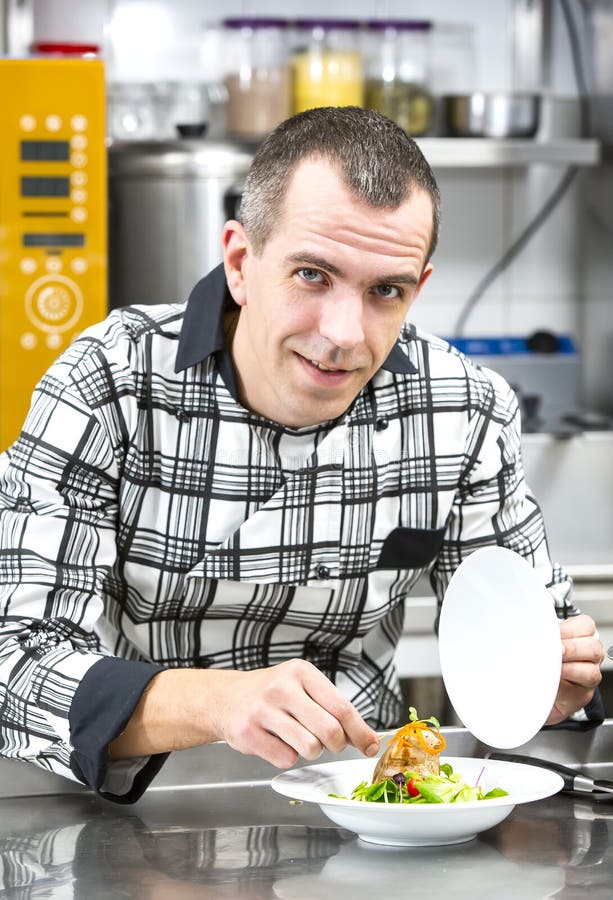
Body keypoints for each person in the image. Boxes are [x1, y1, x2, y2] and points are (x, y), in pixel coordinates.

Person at [0, 106, 604, 804]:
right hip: (128, 801)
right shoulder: (107, 383)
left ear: (417, 289)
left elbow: (531, 652)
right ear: (239, 263)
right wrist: (219, 704)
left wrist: (545, 689)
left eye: (385, 290)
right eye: (313, 275)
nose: (344, 334)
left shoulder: (464, 410)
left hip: (366, 809)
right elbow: (13, 660)